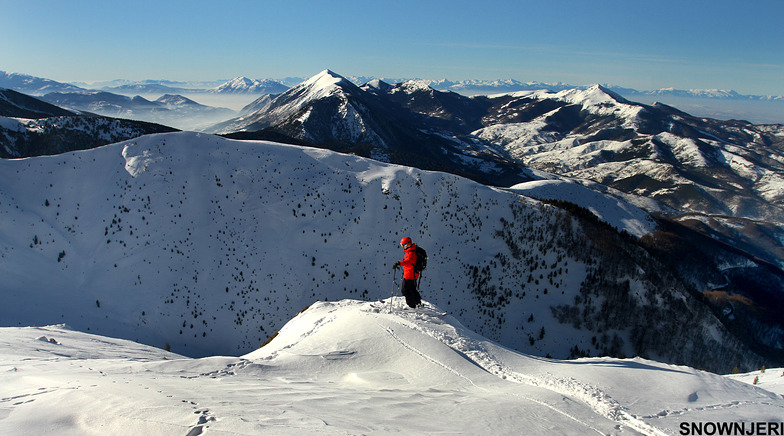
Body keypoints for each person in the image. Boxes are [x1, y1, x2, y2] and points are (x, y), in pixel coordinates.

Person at [393, 236, 422, 308]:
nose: (402, 247)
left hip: (410, 275)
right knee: (412, 289)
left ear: (407, 244)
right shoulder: (411, 251)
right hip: (411, 274)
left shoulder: (411, 253)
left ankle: (412, 306)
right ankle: (418, 303)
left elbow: (408, 262)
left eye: (403, 245)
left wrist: (399, 263)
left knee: (405, 290)